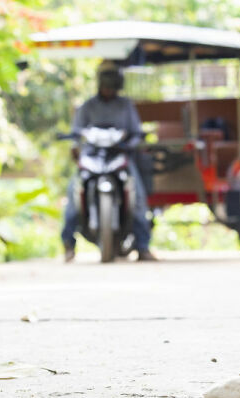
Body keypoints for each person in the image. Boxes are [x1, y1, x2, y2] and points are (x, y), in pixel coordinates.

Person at [61, 60, 156, 262]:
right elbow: (76, 133)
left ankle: (143, 247)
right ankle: (68, 244)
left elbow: (136, 132)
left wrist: (132, 142)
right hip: (92, 157)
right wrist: (74, 143)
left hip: (120, 155)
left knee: (138, 196)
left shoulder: (125, 106)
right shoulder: (87, 107)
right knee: (72, 194)